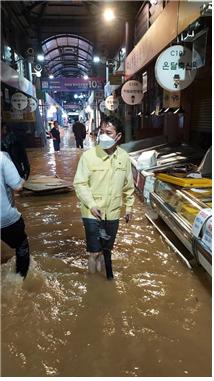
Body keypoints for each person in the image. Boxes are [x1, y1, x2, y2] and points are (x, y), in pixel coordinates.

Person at [73, 115, 135, 280]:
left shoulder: (124, 157)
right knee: (94, 252)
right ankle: (93, 285)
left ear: (118, 136)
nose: (103, 136)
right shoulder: (89, 156)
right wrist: (92, 204)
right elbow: (79, 184)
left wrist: (129, 207)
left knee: (106, 250)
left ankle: (104, 283)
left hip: (113, 213)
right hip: (92, 213)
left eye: (108, 132)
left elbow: (129, 186)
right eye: (101, 132)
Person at [0, 151, 30, 279]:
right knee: (21, 246)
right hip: (4, 217)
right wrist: (23, 179)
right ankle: (20, 280)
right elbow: (17, 186)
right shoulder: (2, 158)